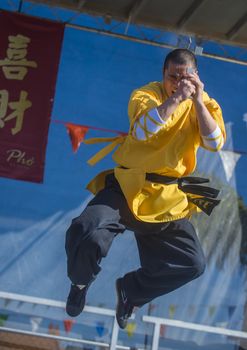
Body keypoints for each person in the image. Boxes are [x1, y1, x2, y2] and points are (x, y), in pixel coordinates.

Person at [65, 48, 226, 329]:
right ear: (163, 75)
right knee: (86, 229)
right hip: (129, 187)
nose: (178, 82)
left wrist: (198, 101)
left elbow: (214, 143)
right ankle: (80, 282)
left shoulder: (206, 104)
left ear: (196, 76)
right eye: (172, 77)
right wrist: (177, 98)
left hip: (168, 199)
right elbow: (142, 132)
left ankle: (132, 291)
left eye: (184, 77)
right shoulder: (145, 95)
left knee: (192, 263)